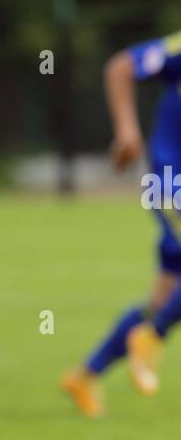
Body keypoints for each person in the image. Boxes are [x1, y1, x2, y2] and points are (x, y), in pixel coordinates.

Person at [63, 29, 181, 415]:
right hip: (170, 180)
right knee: (160, 314)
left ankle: (86, 374)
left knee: (163, 297)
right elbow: (120, 67)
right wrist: (127, 130)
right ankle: (152, 336)